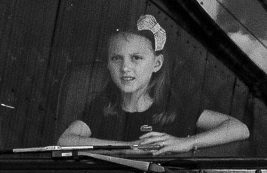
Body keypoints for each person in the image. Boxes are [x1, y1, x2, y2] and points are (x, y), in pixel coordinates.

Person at [57, 13, 250, 156]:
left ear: (156, 64)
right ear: (107, 64)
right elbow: (66, 140)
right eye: (116, 58)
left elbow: (239, 128)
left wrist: (186, 143)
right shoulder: (105, 107)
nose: (125, 67)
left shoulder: (173, 108)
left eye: (136, 58)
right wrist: (126, 148)